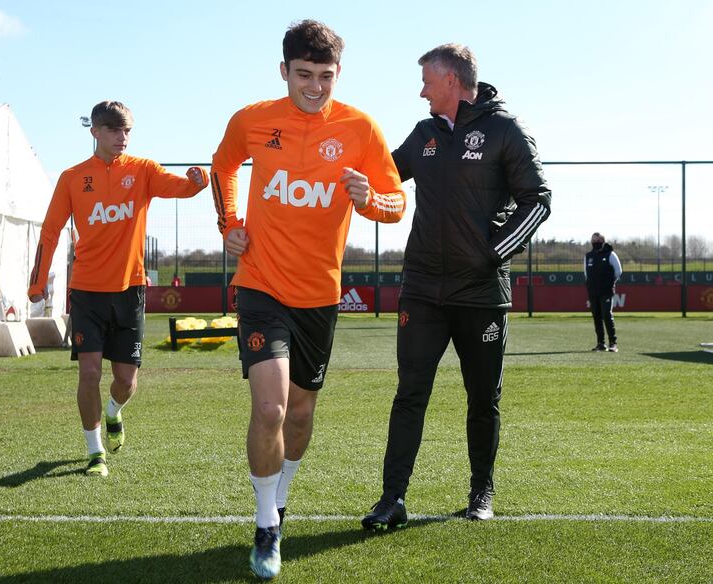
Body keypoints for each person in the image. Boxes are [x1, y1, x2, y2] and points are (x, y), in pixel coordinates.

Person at [211, 20, 405, 579]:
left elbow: (396, 203)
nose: (315, 86)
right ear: (284, 71)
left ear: (337, 74)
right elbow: (223, 165)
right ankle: (266, 524)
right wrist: (230, 221)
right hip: (260, 286)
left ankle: (281, 498)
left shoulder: (360, 128)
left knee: (299, 414)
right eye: (304, 74)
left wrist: (370, 200)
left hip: (319, 295)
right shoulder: (252, 119)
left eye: (326, 76)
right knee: (269, 407)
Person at [362, 44, 552, 530]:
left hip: (481, 294)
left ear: (451, 80)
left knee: (482, 397)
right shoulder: (424, 134)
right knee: (410, 394)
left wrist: (490, 255)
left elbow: (538, 202)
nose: (420, 89)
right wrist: (356, 182)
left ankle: (481, 490)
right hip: (423, 289)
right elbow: (385, 176)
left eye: (427, 79)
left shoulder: (505, 130)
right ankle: (392, 499)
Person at [28, 100, 208, 478]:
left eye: (126, 130)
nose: (122, 137)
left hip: (130, 292)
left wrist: (197, 181)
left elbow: (181, 189)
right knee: (89, 373)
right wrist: (38, 281)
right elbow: (50, 230)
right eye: (113, 130)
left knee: (126, 380)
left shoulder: (142, 170)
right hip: (87, 293)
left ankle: (113, 411)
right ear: (94, 131)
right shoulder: (73, 177)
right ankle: (95, 453)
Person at [585, 232, 622, 352]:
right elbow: (586, 273)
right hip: (593, 292)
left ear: (602, 241)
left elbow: (618, 271)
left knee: (607, 315)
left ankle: (613, 343)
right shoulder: (588, 256)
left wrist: (610, 282)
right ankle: (601, 343)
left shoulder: (610, 254)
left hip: (606, 291)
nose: (595, 243)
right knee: (597, 317)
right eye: (593, 241)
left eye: (597, 241)